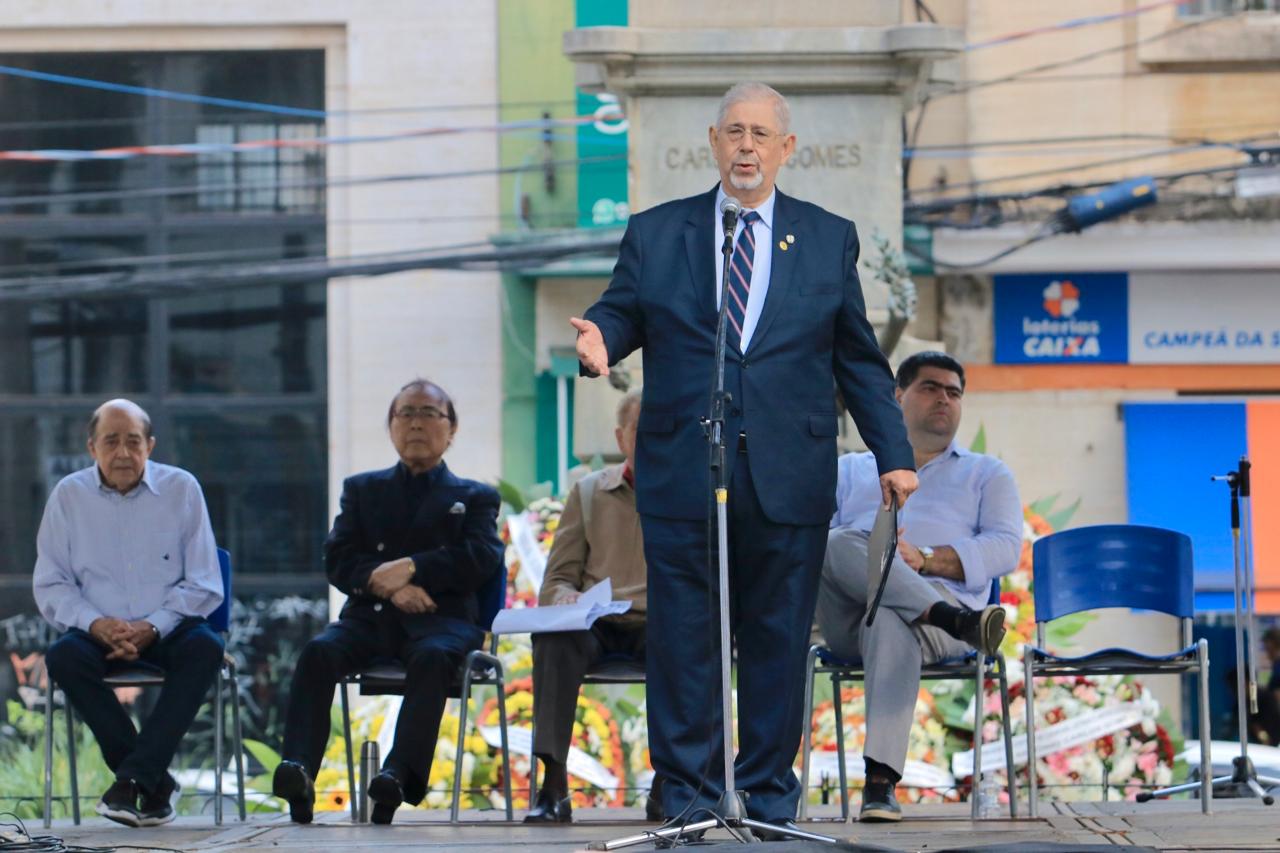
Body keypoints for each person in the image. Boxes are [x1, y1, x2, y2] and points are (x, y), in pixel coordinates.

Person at [570, 81, 919, 834]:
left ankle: (765, 799)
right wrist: (600, 339)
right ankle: (690, 797)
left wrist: (893, 453)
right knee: (684, 641)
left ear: (785, 148)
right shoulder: (659, 232)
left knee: (777, 641)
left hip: (788, 474)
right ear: (713, 142)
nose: (747, 147)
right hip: (684, 470)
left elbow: (857, 358)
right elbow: (622, 309)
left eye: (761, 134)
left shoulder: (826, 238)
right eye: (734, 132)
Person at [271, 379, 503, 825]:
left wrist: (413, 567)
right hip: (370, 617)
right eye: (406, 413)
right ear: (391, 426)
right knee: (319, 651)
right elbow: (338, 559)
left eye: (429, 413)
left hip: (442, 622)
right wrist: (390, 586)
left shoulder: (475, 496)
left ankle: (396, 776)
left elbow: (480, 557)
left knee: (433, 657)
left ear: (451, 429)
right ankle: (298, 770)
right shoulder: (363, 489)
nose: (416, 423)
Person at [818, 352, 1021, 822]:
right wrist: (878, 553)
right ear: (897, 397)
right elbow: (813, 545)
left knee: (892, 617)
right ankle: (955, 620)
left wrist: (924, 559)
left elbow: (1006, 548)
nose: (944, 399)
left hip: (933, 621)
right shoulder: (850, 469)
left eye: (954, 392)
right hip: (850, 614)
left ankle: (880, 782)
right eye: (930, 387)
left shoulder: (986, 473)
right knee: (835, 541)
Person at [33, 399, 224, 827]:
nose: (123, 453)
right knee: (63, 657)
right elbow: (51, 583)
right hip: (96, 630)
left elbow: (205, 581)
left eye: (133, 442)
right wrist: (96, 623)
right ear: (92, 447)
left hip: (168, 627)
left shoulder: (182, 489)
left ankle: (133, 781)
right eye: (111, 441)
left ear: (150, 446)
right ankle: (152, 782)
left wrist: (153, 625)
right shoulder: (68, 495)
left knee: (206, 648)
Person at [525, 389, 660, 824]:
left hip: (658, 619)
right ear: (621, 438)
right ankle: (553, 783)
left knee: (687, 639)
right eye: (640, 429)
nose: (652, 437)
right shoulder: (589, 492)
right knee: (553, 638)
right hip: (595, 621)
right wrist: (565, 597)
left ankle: (671, 782)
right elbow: (557, 578)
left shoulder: (689, 493)